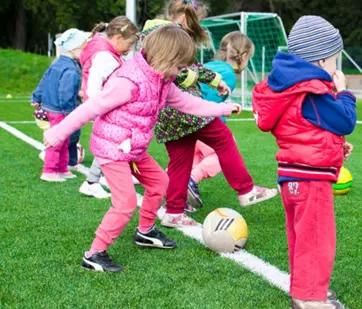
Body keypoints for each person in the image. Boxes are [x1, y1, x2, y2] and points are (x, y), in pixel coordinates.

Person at [43, 26, 241, 272]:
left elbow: (186, 103)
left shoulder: (163, 80)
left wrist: (221, 109)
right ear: (166, 59)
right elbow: (91, 108)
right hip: (112, 150)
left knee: (160, 182)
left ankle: (145, 231)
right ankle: (94, 254)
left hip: (133, 149)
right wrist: (58, 133)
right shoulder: (128, 82)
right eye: (180, 67)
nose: (183, 72)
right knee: (125, 203)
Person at [138, 0, 277, 228]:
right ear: (183, 17)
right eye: (195, 22)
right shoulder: (167, 36)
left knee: (180, 161)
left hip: (167, 114)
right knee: (223, 140)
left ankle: (173, 212)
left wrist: (215, 81)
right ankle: (246, 190)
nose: (196, 28)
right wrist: (200, 82)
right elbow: (176, 71)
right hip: (184, 108)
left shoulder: (155, 33)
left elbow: (191, 66)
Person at [252, 16, 357, 309]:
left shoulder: (290, 87)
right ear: (321, 59)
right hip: (310, 179)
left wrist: (335, 147)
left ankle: (306, 286)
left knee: (301, 236)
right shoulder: (311, 90)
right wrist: (344, 92)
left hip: (293, 174)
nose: (336, 67)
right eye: (335, 60)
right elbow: (345, 119)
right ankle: (309, 297)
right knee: (316, 237)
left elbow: (305, 128)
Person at [187, 31, 254, 208]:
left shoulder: (211, 65)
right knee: (220, 155)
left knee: (192, 158)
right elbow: (209, 101)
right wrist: (224, 110)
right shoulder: (229, 76)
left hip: (186, 118)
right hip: (202, 121)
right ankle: (191, 180)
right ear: (244, 56)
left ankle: (172, 184)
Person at [78, 16, 138, 199]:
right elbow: (94, 84)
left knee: (122, 139)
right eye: (129, 44)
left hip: (106, 106)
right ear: (118, 39)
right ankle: (91, 182)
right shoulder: (105, 56)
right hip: (104, 107)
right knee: (111, 142)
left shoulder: (109, 53)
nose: (130, 49)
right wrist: (100, 107)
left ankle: (122, 173)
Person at [31, 28, 88, 182]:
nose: (85, 52)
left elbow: (44, 80)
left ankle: (62, 168)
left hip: (52, 107)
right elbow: (66, 92)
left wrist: (36, 97)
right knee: (58, 141)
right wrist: (70, 112)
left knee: (64, 140)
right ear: (75, 49)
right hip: (61, 110)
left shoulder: (57, 63)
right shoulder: (71, 69)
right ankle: (49, 171)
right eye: (84, 48)